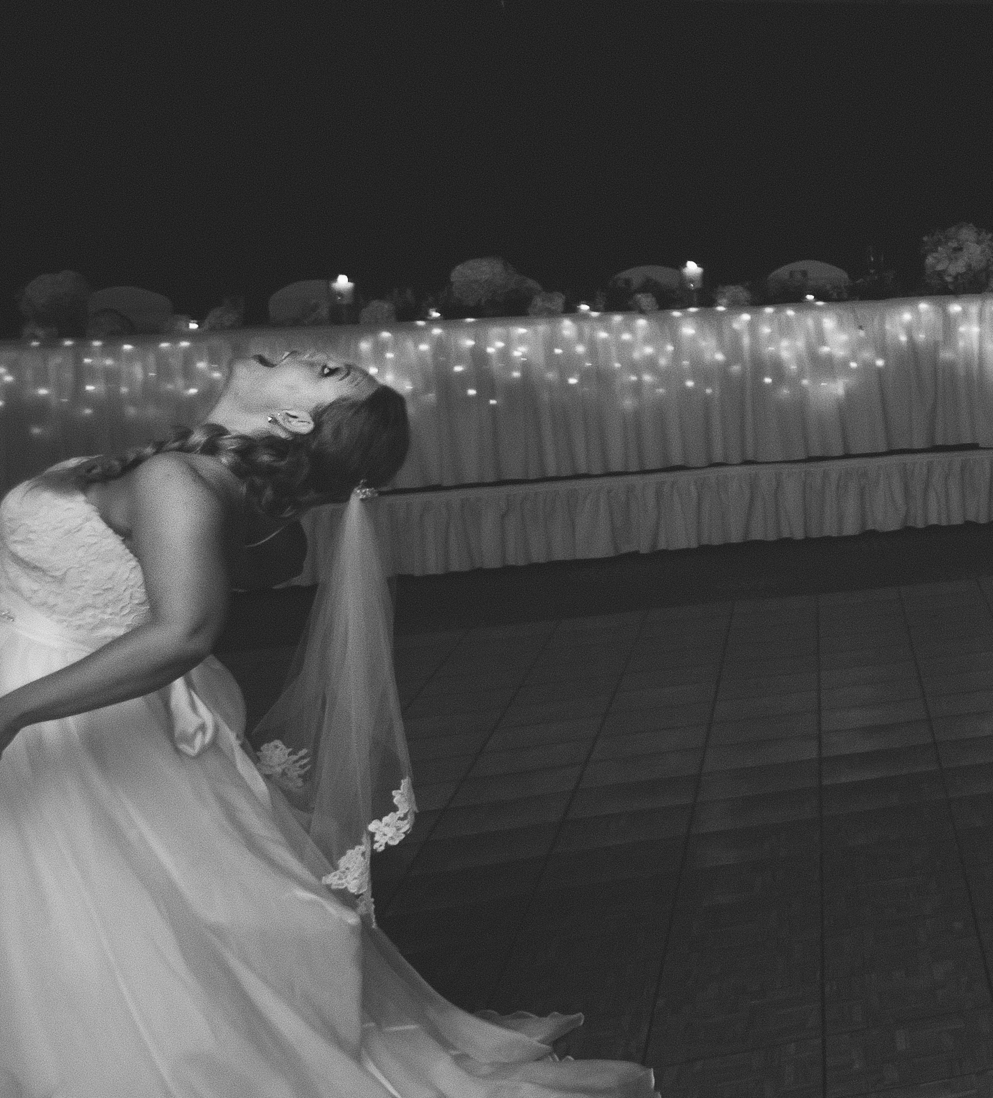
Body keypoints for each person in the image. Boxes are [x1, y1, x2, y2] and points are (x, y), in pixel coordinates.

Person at [0, 349, 656, 1095]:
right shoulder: (199, 478)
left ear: (289, 418)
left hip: (56, 707)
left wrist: (12, 711)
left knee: (75, 914)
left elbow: (184, 633)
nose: (314, 356)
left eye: (328, 375)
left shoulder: (178, 482)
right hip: (63, 684)